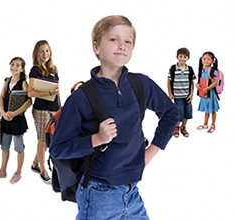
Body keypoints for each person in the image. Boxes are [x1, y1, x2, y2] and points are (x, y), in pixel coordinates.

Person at [49, 15, 178, 219]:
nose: (122, 45)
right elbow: (57, 148)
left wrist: (151, 151)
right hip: (98, 194)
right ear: (96, 47)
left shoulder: (140, 84)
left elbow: (171, 113)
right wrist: (96, 139)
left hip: (132, 192)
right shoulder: (81, 98)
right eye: (113, 39)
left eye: (128, 41)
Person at [0, 57, 32, 184]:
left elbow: (29, 101)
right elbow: (1, 97)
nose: (14, 67)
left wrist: (14, 113)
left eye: (18, 65)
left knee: (19, 147)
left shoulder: (24, 82)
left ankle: (18, 172)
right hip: (6, 119)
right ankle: (3, 170)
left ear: (22, 69)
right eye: (12, 64)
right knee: (4, 146)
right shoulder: (7, 81)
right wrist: (3, 112)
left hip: (17, 120)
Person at [28, 40, 59, 184]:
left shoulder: (54, 69)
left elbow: (57, 91)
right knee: (42, 140)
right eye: (41, 51)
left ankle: (34, 164)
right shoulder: (35, 70)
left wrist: (60, 108)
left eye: (47, 50)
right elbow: (30, 92)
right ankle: (42, 171)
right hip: (41, 110)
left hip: (54, 108)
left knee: (48, 140)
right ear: (36, 54)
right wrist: (48, 92)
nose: (44, 54)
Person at [167, 47, 196, 138]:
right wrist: (170, 94)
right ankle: (176, 127)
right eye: (181, 56)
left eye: (185, 57)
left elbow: (192, 82)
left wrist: (191, 95)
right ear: (177, 57)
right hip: (177, 96)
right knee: (179, 112)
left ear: (188, 58)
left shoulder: (190, 69)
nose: (182, 59)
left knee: (188, 112)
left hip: (187, 95)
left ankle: (183, 127)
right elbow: (169, 81)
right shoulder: (173, 69)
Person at [196, 51, 219, 133]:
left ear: (213, 61)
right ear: (201, 59)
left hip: (210, 94)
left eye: (208, 59)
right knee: (206, 109)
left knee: (212, 109)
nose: (205, 61)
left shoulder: (212, 71)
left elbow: (215, 82)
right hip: (204, 94)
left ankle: (212, 125)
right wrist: (197, 85)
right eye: (204, 59)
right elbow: (200, 81)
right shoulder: (202, 70)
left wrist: (207, 89)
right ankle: (205, 124)